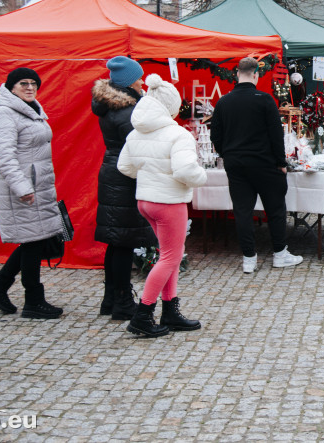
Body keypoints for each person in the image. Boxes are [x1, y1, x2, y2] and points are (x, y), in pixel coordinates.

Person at [118, 74, 207, 338]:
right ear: (171, 105)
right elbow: (185, 170)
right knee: (171, 257)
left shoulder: (136, 132)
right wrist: (201, 177)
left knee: (169, 255)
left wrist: (150, 174)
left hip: (146, 200)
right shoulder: (177, 134)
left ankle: (170, 310)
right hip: (169, 202)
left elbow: (125, 167)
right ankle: (143, 315)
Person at [0, 68, 66, 320]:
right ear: (11, 87)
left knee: (34, 239)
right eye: (23, 83)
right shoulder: (5, 114)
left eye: (33, 84)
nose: (29, 87)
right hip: (21, 189)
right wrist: (22, 187)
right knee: (32, 242)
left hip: (37, 186)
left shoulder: (31, 110)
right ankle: (33, 301)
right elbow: (4, 156)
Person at [210, 57, 303, 274]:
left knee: (242, 211)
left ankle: (249, 257)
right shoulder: (265, 100)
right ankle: (280, 254)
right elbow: (275, 135)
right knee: (275, 209)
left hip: (236, 164)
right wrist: (281, 162)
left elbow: (216, 135)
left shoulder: (224, 102)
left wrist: (228, 154)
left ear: (236, 75)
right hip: (264, 164)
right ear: (256, 75)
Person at [91, 56, 156, 321]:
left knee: (116, 242)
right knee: (124, 242)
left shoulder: (110, 106)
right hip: (124, 177)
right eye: (139, 78)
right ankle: (122, 302)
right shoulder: (130, 112)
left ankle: (110, 298)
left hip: (112, 172)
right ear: (129, 82)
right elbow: (138, 148)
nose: (142, 82)